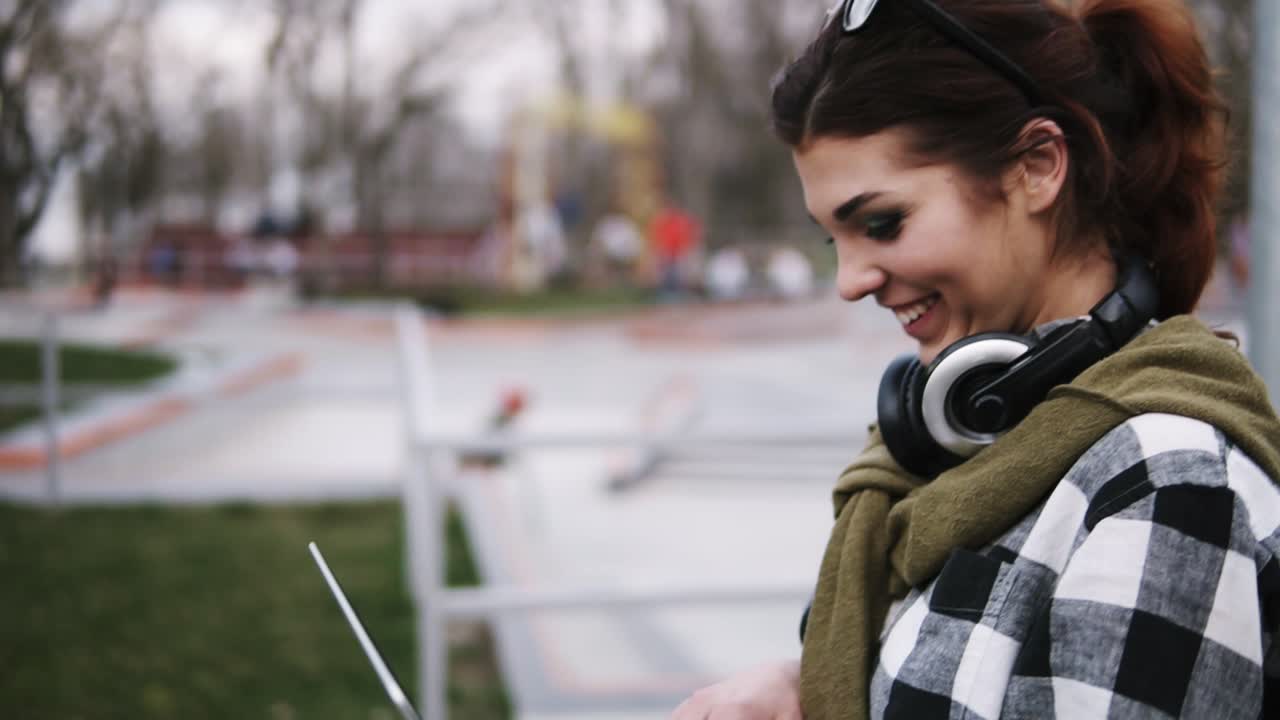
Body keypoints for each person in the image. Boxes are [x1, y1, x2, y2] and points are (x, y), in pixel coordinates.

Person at [672, 1, 1280, 719]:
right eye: (838, 240)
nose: (851, 280)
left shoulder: (1167, 485)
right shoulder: (980, 446)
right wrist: (802, 689)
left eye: (882, 223)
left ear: (1037, 167)